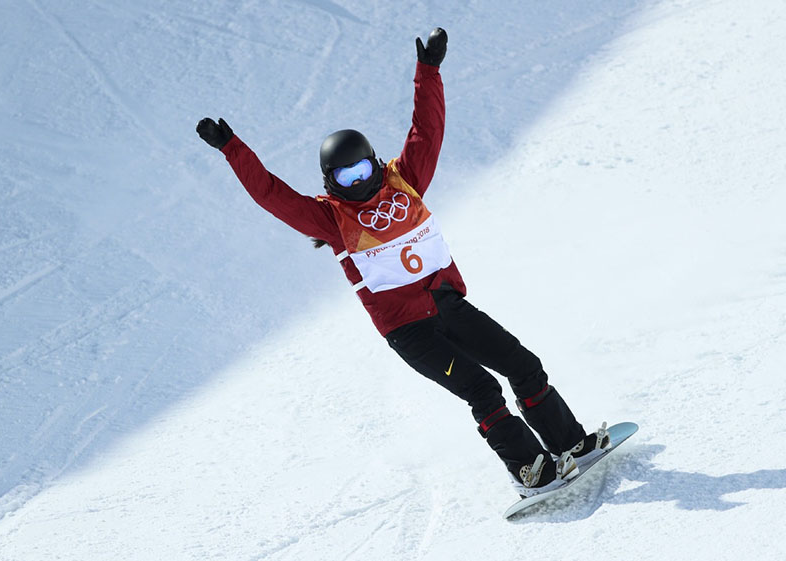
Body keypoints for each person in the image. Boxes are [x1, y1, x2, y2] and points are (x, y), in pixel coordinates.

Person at [196, 28, 609, 496]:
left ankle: (570, 444)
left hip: (448, 305)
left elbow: (426, 131)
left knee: (523, 364)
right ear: (331, 181)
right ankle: (530, 469)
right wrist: (233, 148)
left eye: (364, 170)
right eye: (346, 176)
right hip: (410, 332)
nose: (359, 182)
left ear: (375, 163)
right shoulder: (330, 220)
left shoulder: (405, 181)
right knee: (482, 390)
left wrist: (428, 70)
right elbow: (272, 195)